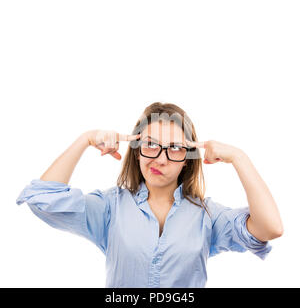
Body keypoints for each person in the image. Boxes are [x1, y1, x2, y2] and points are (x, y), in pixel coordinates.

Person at [16, 102, 283, 288]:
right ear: (136, 149)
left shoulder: (208, 216)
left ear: (188, 159)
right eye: (151, 144)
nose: (161, 159)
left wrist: (239, 157)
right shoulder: (110, 208)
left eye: (175, 148)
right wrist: (85, 139)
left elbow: (270, 228)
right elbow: (43, 198)